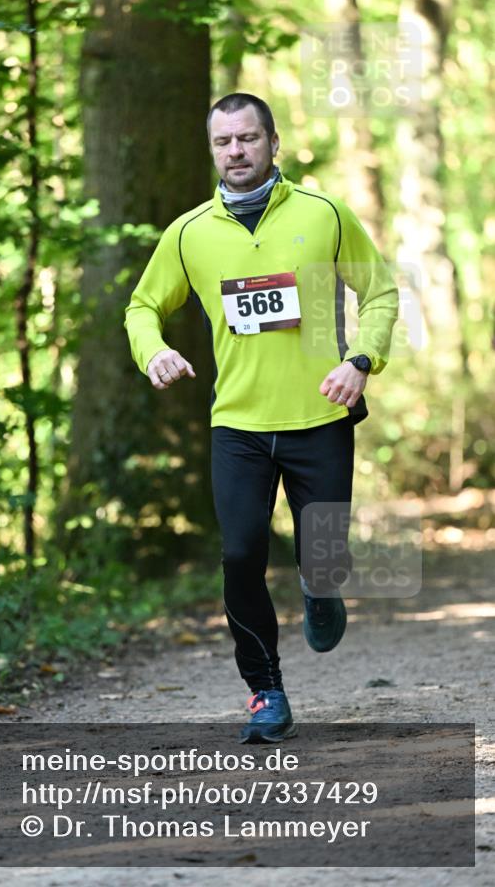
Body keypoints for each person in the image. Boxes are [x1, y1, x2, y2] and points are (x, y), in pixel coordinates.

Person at [124, 93, 398, 744]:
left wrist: (361, 359)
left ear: (272, 142)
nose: (236, 151)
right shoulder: (190, 233)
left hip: (321, 415)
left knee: (323, 558)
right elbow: (141, 307)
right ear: (213, 150)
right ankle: (265, 692)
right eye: (224, 143)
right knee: (240, 552)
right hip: (239, 426)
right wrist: (154, 350)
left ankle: (319, 583)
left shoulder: (323, 214)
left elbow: (379, 290)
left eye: (248, 139)